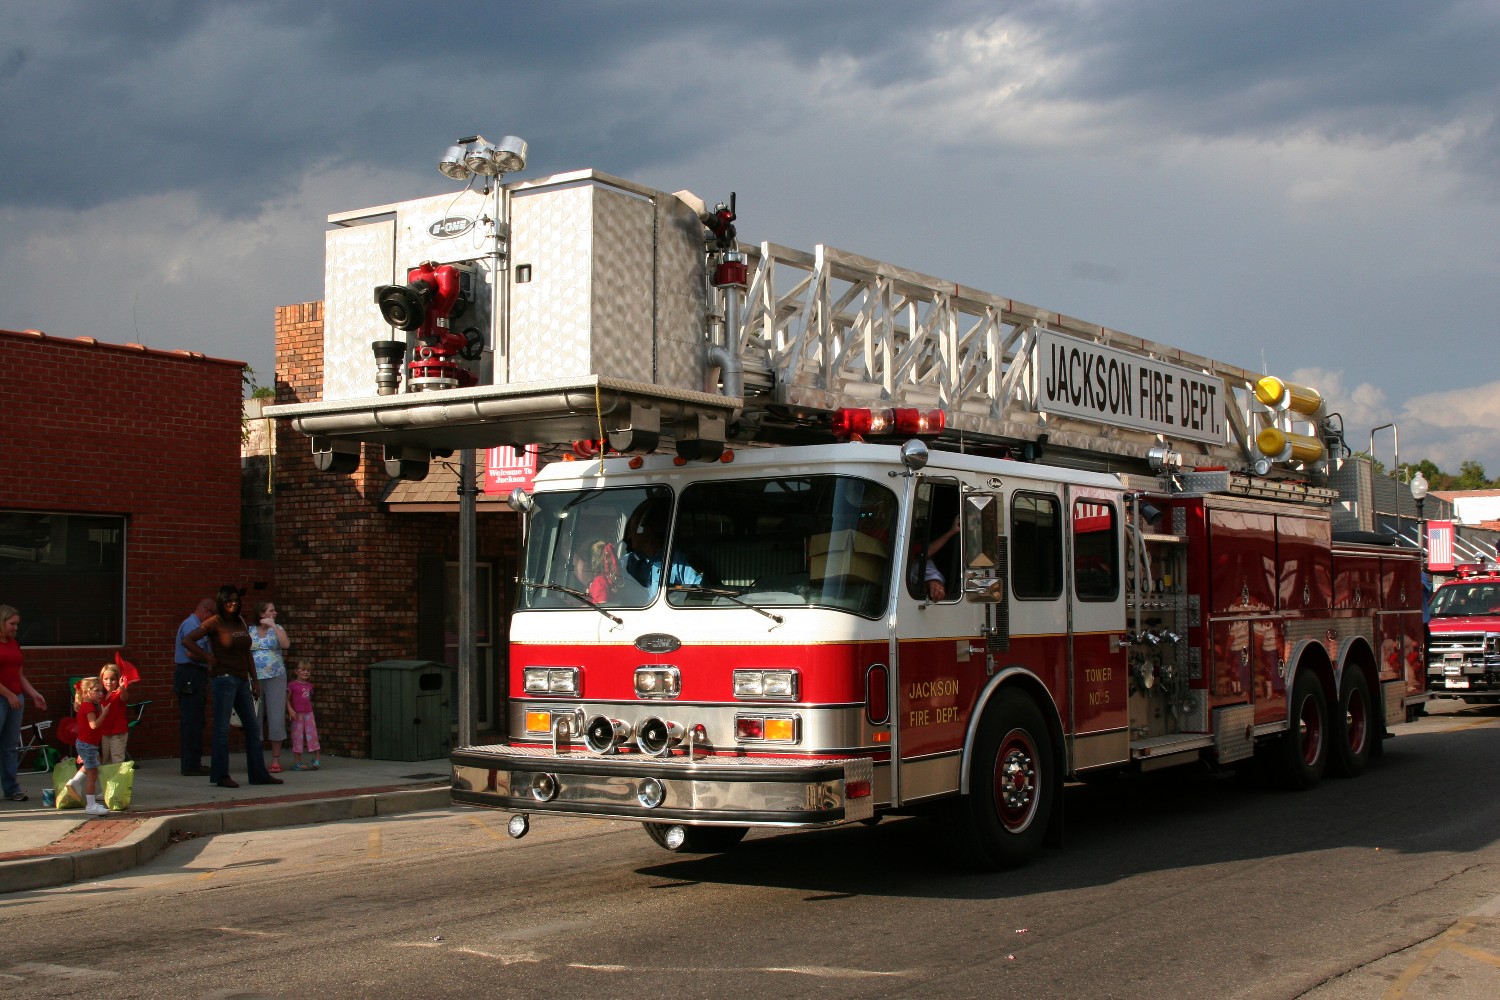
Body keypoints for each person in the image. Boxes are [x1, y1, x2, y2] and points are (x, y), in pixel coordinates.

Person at [182, 585, 282, 788]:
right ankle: (221, 775)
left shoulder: (240, 622)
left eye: (236, 600)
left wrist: (254, 680)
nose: (233, 603)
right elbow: (188, 640)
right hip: (223, 679)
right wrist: (208, 657)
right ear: (221, 601)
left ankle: (258, 774)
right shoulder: (214, 622)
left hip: (242, 679)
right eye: (229, 600)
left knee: (252, 727)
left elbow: (247, 652)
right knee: (221, 728)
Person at [1, 604, 48, 803]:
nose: (15, 628)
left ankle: (12, 789)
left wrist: (33, 694)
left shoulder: (14, 644)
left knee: (10, 746)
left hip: (16, 698)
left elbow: (19, 674)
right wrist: (9, 695)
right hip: (3, 697)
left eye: (17, 624)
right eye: (12, 624)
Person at [619, 500, 703, 591]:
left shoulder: (677, 561)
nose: (628, 536)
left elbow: (698, 591)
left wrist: (675, 590)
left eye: (632, 530)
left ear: (646, 530)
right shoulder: (629, 561)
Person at [174, 597, 214, 776]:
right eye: (212, 615)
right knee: (192, 719)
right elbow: (191, 652)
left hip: (193, 673)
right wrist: (210, 658)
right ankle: (191, 764)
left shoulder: (193, 624)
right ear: (205, 610)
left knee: (196, 718)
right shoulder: (192, 625)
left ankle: (193, 761)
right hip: (190, 673)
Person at [250, 600, 291, 773]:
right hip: (255, 679)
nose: (275, 613)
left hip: (275, 676)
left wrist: (274, 626)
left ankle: (275, 759)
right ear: (261, 613)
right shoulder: (250, 631)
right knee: (255, 717)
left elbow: (285, 645)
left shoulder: (278, 628)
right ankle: (256, 758)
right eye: (271, 611)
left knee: (276, 715)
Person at [71, 677, 113, 816]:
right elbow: (93, 725)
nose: (101, 693)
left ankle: (75, 782)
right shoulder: (88, 706)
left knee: (92, 765)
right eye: (96, 691)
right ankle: (91, 805)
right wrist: (105, 714)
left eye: (101, 691)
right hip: (88, 745)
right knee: (92, 773)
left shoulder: (84, 704)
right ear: (86, 691)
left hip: (87, 744)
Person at [286, 662, 320, 771]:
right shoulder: (292, 685)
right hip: (297, 714)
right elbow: (286, 699)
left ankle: (317, 759)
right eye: (303, 669)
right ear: (296, 671)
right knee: (297, 736)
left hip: (309, 713)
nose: (306, 672)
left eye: (308, 670)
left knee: (312, 735)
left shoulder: (309, 685)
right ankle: (297, 762)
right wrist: (290, 710)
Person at [97, 662, 132, 766]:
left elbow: (124, 697)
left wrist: (122, 688)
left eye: (112, 679)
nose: (109, 682)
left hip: (117, 733)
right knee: (106, 761)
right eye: (106, 679)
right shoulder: (101, 695)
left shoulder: (118, 693)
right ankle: (109, 782)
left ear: (118, 680)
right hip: (105, 732)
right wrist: (77, 700)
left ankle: (118, 782)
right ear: (101, 679)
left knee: (117, 761)